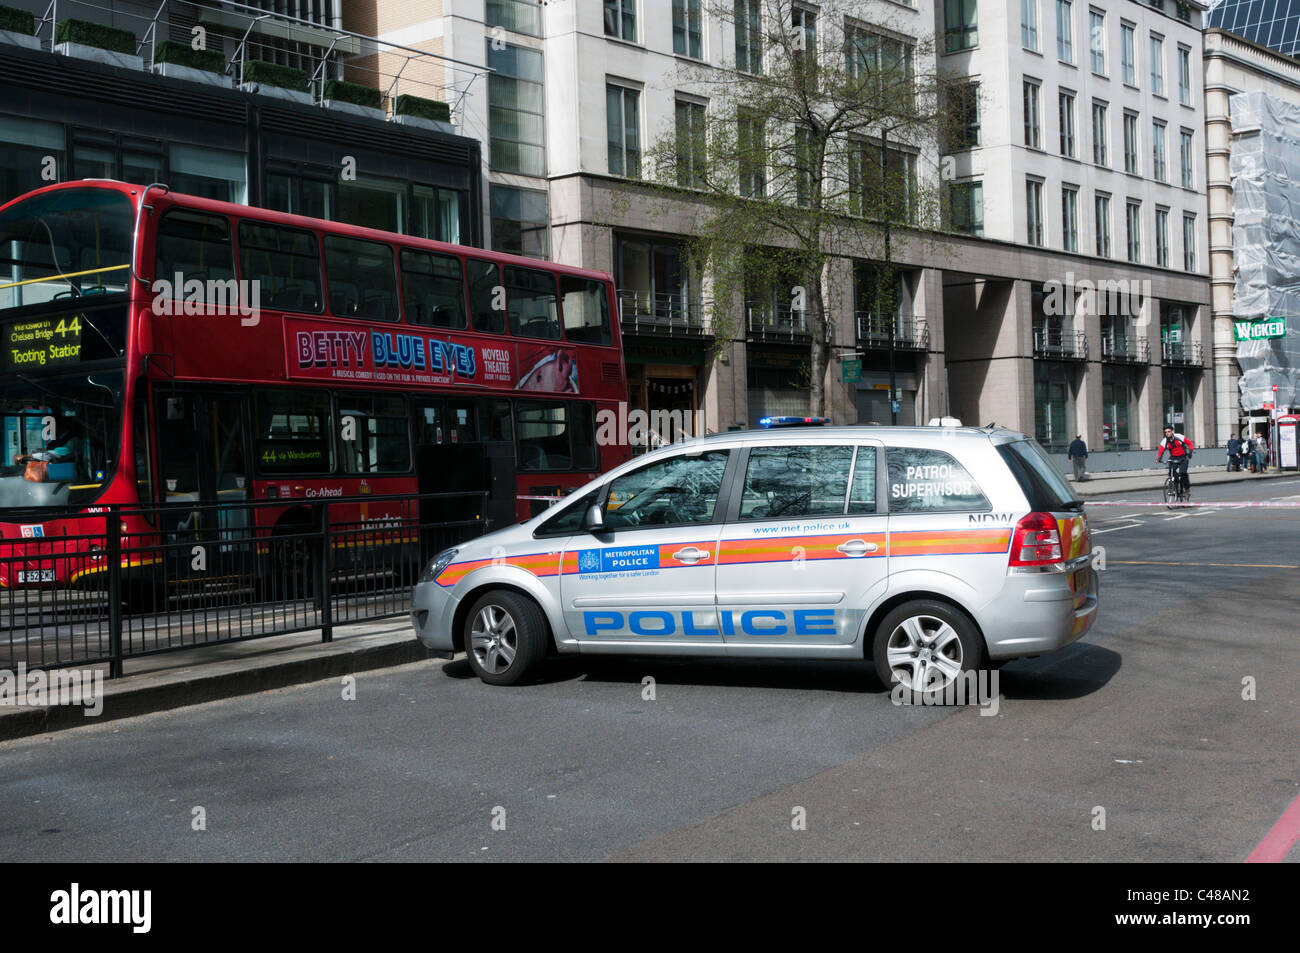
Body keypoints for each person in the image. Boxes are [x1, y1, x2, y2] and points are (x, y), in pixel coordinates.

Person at [1156, 424, 1194, 499]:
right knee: (1171, 473)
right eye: (1166, 432)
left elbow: (1190, 444)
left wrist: (1189, 454)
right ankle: (1174, 487)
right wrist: (1158, 458)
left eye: (1169, 431)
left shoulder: (1179, 436)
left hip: (1183, 457)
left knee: (1183, 473)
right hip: (1173, 458)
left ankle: (1187, 490)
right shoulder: (1164, 441)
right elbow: (1161, 451)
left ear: (1172, 431)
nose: (1167, 433)